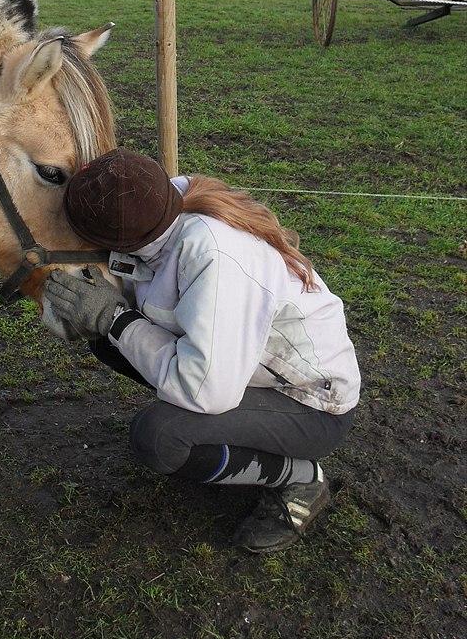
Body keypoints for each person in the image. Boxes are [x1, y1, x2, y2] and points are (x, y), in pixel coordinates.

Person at [44, 149, 360, 553]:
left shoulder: (212, 257)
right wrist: (109, 318)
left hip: (312, 407)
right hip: (245, 372)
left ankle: (300, 476)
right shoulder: (159, 208)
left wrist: (115, 318)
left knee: (159, 436)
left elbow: (207, 391)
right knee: (109, 344)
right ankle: (223, 436)